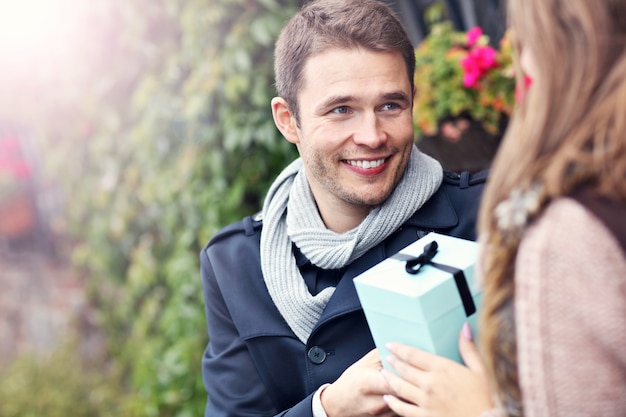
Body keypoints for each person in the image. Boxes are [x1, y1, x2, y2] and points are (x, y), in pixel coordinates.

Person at [199, 0, 488, 416]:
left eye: (390, 105)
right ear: (288, 121)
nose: (371, 136)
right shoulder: (234, 264)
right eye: (341, 110)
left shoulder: (484, 218)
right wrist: (327, 408)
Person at [381, 0, 626, 416]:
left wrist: (478, 411)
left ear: (565, 50)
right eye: (340, 109)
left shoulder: (567, 235)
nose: (515, 68)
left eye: (391, 105)